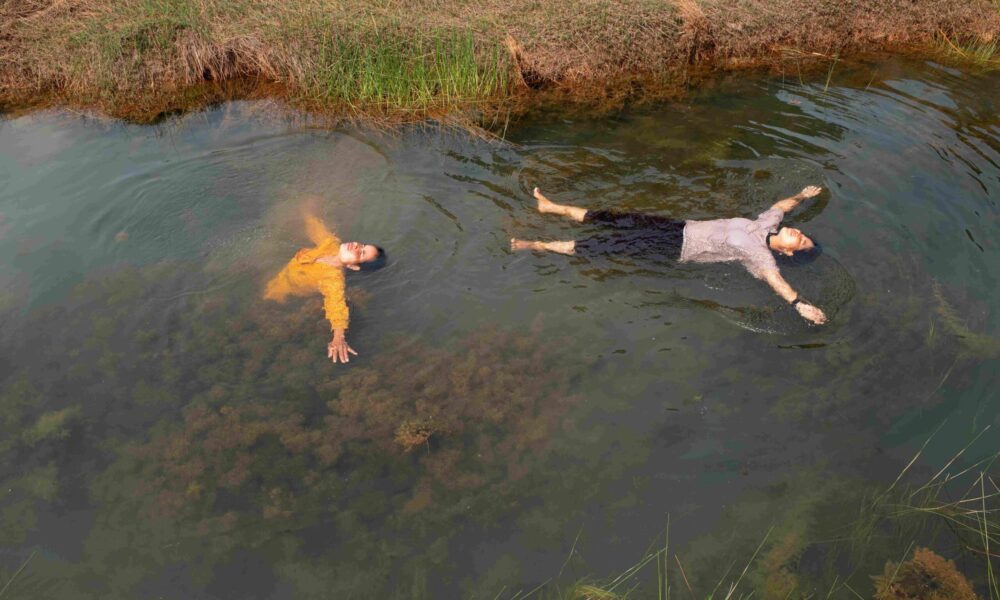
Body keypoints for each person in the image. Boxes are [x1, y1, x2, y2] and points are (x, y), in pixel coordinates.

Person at [511, 186, 828, 324]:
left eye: (801, 242)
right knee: (614, 219)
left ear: (788, 252)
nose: (800, 234)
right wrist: (802, 195)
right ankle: (550, 207)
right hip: (677, 227)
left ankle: (537, 245)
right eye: (803, 234)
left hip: (673, 248)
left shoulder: (760, 256)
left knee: (606, 245)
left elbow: (774, 280)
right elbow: (781, 206)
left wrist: (798, 304)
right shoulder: (767, 224)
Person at [264, 208, 385, 363]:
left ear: (353, 267)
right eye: (361, 245)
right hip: (275, 278)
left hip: (278, 296)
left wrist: (338, 337)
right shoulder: (330, 244)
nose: (356, 246)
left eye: (361, 253)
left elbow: (336, 305)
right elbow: (314, 226)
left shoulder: (333, 279)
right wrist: (302, 209)